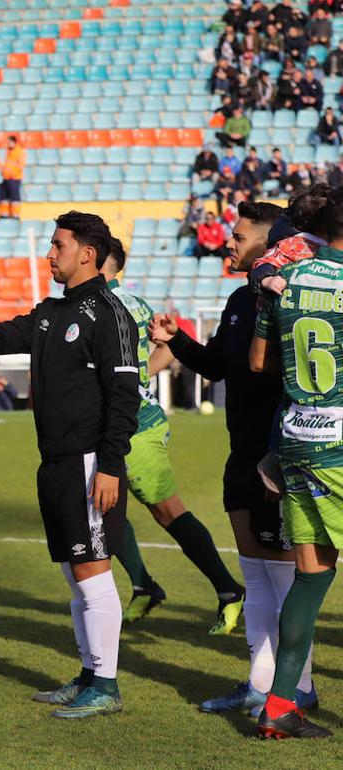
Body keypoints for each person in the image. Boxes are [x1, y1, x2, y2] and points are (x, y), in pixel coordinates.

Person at [0, 211, 140, 719]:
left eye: (58, 245)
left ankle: (108, 686)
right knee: (76, 576)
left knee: (93, 573)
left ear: (87, 254)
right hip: (53, 463)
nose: (49, 254)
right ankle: (89, 674)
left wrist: (111, 467)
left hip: (89, 461)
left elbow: (123, 398)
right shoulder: (52, 312)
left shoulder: (110, 314)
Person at [154, 201, 315, 716]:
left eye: (240, 235)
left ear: (270, 246)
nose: (229, 241)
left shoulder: (290, 303)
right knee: (256, 575)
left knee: (285, 576)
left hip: (277, 454)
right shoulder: (235, 300)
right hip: (239, 454)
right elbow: (218, 368)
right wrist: (176, 339)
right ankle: (258, 683)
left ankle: (298, 685)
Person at [101, 239, 247, 631]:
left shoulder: (111, 306)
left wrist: (134, 380)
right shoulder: (134, 304)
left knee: (167, 511)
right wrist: (142, 373)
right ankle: (144, 585)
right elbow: (164, 350)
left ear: (100, 261)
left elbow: (165, 348)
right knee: (101, 508)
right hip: (113, 425)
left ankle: (228, 589)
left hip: (135, 426)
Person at [249, 186, 343, 740]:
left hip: (297, 438)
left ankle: (280, 704)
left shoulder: (287, 280)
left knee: (311, 576)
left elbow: (259, 360)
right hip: (339, 444)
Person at [0, 135, 25, 220]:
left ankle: (15, 216)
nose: (8, 144)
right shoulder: (8, 151)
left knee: (14, 198)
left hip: (14, 179)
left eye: (9, 142)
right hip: (6, 178)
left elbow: (20, 167)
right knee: (4, 198)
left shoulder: (19, 152)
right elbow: (6, 164)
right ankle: (4, 215)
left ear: (14, 142)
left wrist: (10, 174)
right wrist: (3, 172)